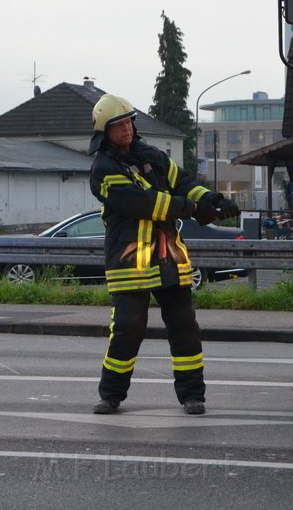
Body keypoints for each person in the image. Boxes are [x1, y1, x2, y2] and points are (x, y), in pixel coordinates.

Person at [87, 94, 240, 415]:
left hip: (169, 256)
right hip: (130, 261)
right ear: (105, 132)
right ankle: (111, 394)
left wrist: (211, 197)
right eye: (119, 125)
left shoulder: (151, 155)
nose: (127, 129)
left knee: (184, 327)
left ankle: (192, 396)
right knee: (128, 328)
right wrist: (195, 209)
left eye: (129, 121)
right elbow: (143, 203)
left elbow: (182, 182)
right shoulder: (102, 169)